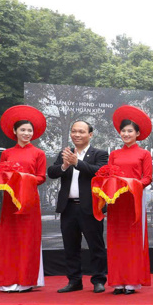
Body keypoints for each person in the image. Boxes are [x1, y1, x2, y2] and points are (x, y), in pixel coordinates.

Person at [0, 106, 47, 292]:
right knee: (10, 238)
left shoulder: (39, 153)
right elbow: (2, 176)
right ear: (15, 131)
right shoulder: (7, 153)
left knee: (27, 237)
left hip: (29, 201)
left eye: (29, 130)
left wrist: (22, 178)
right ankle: (8, 278)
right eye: (23, 130)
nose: (26, 133)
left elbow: (41, 177)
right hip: (11, 201)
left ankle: (26, 280)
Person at [48, 120, 109, 293]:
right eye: (74, 131)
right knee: (70, 246)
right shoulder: (65, 153)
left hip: (90, 207)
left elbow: (99, 172)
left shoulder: (100, 153)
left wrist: (77, 163)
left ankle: (98, 280)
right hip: (68, 207)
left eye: (81, 132)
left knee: (95, 245)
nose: (77, 135)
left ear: (90, 135)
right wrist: (64, 165)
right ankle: (74, 280)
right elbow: (51, 172)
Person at [100, 106, 153, 294]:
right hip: (116, 202)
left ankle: (131, 281)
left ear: (137, 133)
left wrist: (133, 185)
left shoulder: (144, 154)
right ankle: (117, 281)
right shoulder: (114, 154)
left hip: (134, 200)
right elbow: (108, 175)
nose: (126, 134)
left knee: (132, 240)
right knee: (116, 240)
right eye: (123, 131)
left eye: (130, 131)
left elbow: (147, 177)